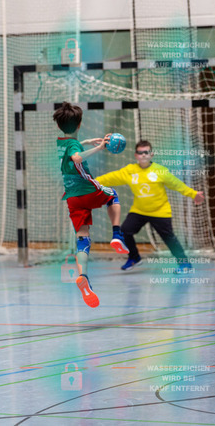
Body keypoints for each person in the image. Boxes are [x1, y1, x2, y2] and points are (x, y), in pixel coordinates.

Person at [53, 102, 128, 308]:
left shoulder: (61, 142)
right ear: (80, 124)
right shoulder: (73, 146)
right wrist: (99, 147)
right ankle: (117, 234)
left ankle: (83, 276)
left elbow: (72, 148)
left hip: (72, 197)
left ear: (59, 125)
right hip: (86, 188)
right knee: (112, 196)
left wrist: (86, 142)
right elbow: (76, 157)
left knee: (82, 237)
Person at [95, 140, 205, 273]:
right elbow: (110, 177)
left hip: (160, 211)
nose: (143, 155)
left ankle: (185, 264)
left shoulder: (160, 171)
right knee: (124, 231)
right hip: (139, 210)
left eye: (146, 152)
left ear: (151, 154)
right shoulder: (130, 171)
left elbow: (177, 184)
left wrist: (193, 194)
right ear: (136, 155)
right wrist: (93, 182)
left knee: (169, 239)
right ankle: (134, 257)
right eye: (140, 153)